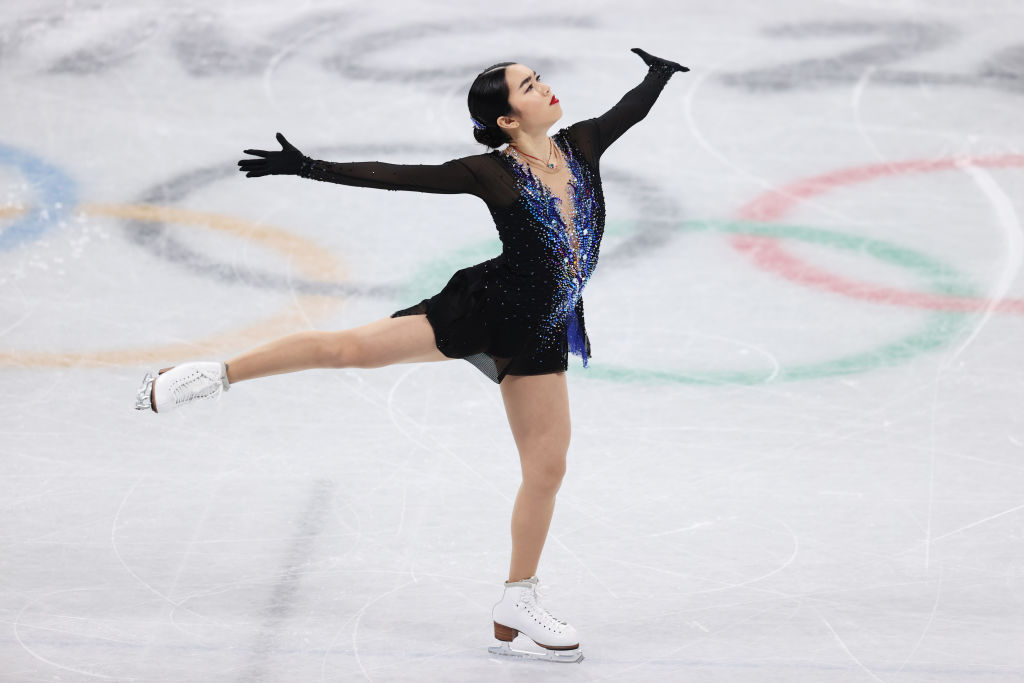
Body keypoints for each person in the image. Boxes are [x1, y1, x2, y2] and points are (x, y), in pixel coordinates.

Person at [135, 47, 687, 663]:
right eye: (530, 87)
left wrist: (657, 75)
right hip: (483, 307)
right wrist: (310, 167)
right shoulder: (491, 173)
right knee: (348, 350)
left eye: (538, 79)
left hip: (539, 329)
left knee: (548, 468)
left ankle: (517, 599)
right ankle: (211, 375)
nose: (546, 88)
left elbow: (629, 112)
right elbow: (399, 174)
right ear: (508, 119)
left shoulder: (581, 145)